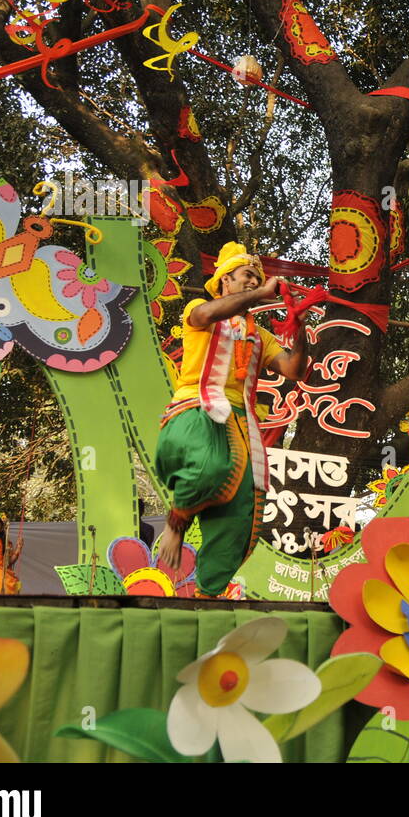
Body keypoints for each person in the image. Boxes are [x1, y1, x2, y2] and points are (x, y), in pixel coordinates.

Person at [154, 242, 309, 597]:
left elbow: (294, 369)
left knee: (244, 516)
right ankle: (177, 520)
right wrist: (260, 294)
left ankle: (207, 598)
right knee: (211, 465)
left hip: (242, 423)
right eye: (246, 276)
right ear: (225, 281)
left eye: (256, 278)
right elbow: (206, 317)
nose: (253, 282)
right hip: (196, 410)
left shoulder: (260, 334)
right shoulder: (199, 309)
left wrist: (299, 328)